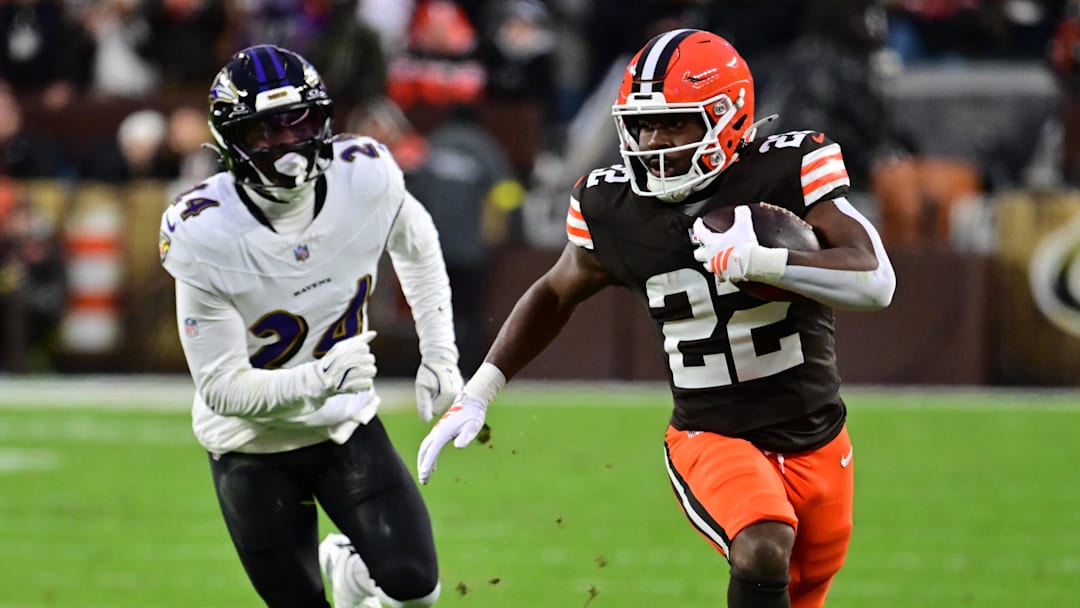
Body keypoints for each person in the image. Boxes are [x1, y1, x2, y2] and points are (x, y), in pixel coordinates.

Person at [417, 29, 896, 608]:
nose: (653, 141)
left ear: (728, 117)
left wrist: (768, 262)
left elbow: (876, 281)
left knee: (801, 591)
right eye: (643, 125)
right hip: (711, 434)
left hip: (818, 436)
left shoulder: (788, 167)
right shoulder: (614, 206)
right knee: (763, 543)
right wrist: (480, 389)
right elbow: (555, 292)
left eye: (674, 123)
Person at [158, 44, 462, 608]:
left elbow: (418, 247)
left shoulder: (364, 174)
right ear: (231, 141)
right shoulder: (205, 231)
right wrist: (320, 377)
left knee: (416, 590)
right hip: (251, 446)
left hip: (343, 425)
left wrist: (440, 354)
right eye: (264, 133)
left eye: (297, 123)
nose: (288, 147)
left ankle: (351, 575)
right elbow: (221, 388)